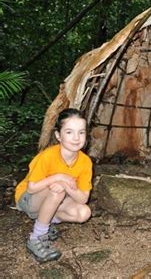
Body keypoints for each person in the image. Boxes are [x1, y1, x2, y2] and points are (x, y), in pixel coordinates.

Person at [14, 108, 93, 262]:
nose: (76, 138)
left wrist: (67, 185)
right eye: (69, 132)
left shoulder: (85, 162)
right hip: (28, 199)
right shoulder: (47, 156)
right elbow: (32, 187)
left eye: (81, 132)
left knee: (83, 213)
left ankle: (46, 220)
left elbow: (83, 198)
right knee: (57, 190)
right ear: (58, 135)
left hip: (54, 199)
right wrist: (58, 177)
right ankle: (37, 237)